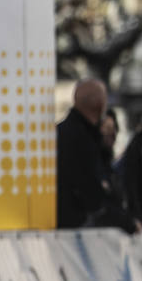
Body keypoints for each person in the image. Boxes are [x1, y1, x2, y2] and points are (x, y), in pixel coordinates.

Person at [55, 78, 113, 229]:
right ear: (101, 105)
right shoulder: (83, 140)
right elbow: (90, 191)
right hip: (76, 225)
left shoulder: (61, 132)